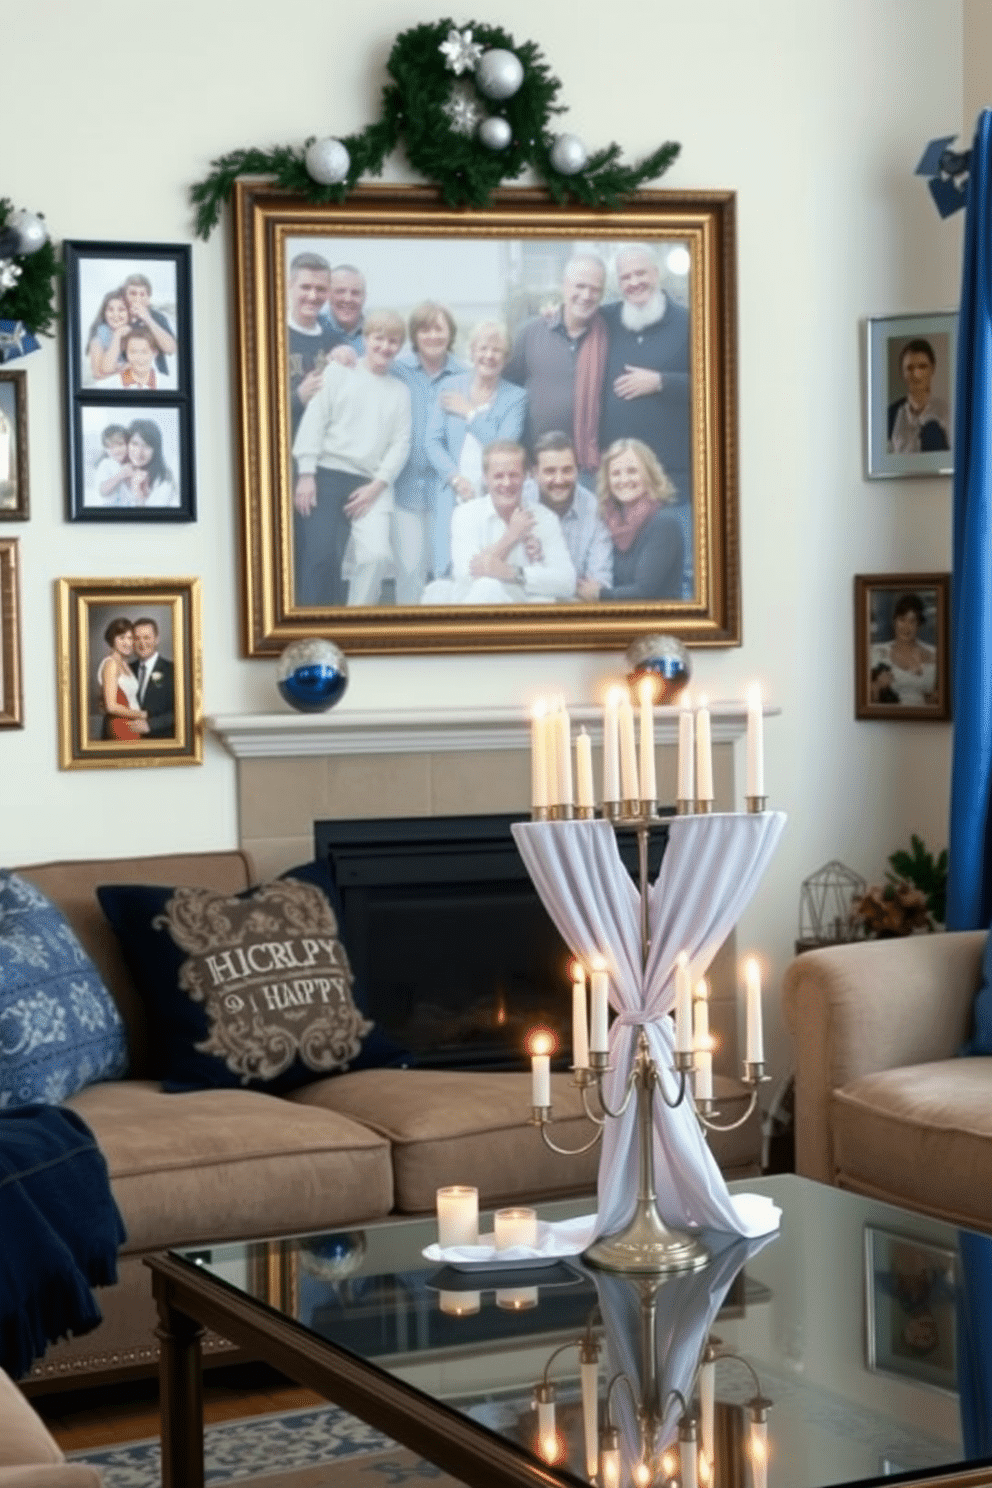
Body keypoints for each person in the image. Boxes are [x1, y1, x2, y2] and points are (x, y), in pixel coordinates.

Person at [292, 309, 411, 608]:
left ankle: (356, 618)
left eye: (393, 341)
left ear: (400, 346)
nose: (385, 347)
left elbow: (400, 444)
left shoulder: (400, 392)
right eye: (378, 338)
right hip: (326, 473)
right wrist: (306, 474)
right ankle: (312, 626)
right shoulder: (338, 373)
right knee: (320, 556)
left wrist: (377, 486)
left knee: (376, 556)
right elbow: (314, 421)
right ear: (366, 339)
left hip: (371, 483)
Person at [599, 246, 692, 595]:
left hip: (674, 479)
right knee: (630, 578)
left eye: (641, 274)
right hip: (620, 482)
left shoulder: (688, 322)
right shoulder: (607, 320)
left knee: (682, 574)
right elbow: (573, 315)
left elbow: (718, 382)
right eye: (626, 277)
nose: (634, 282)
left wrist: (662, 382)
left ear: (657, 274)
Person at [425, 320, 527, 578]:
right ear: (472, 351)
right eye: (483, 349)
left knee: (486, 567)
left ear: (506, 357)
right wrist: (455, 478)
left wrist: (469, 413)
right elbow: (432, 442)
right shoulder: (451, 387)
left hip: (492, 495)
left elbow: (504, 448)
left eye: (497, 351)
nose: (489, 356)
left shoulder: (516, 397)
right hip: (452, 493)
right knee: (447, 569)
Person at [422, 441, 574, 605]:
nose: (507, 483)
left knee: (501, 590)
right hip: (474, 611)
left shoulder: (544, 518)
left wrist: (511, 573)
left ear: (526, 476)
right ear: (485, 478)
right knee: (472, 588)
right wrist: (511, 536)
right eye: (499, 476)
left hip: (522, 612)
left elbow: (567, 582)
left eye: (514, 475)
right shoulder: (466, 514)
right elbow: (468, 575)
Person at [503, 253, 608, 474]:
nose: (586, 295)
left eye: (595, 289)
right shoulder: (530, 333)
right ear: (564, 287)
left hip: (593, 469)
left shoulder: (609, 334)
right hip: (538, 466)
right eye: (579, 286)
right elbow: (505, 390)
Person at [389, 301, 465, 604]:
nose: (432, 336)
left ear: (451, 334)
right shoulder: (398, 368)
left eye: (439, 328)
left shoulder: (465, 374)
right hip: (403, 488)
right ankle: (407, 641)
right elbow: (363, 366)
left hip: (447, 489)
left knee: (447, 572)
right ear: (415, 334)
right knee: (409, 572)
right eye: (425, 329)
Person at [577, 438, 683, 603]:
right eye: (616, 473)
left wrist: (600, 594)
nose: (624, 480)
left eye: (632, 471)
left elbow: (644, 592)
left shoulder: (664, 523)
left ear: (649, 474)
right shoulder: (610, 520)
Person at [522, 431, 612, 594]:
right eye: (550, 471)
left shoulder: (594, 510)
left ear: (577, 471)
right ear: (535, 473)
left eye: (567, 470)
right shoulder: (520, 500)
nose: (559, 480)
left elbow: (598, 585)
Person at [286, 252, 340, 436]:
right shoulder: (270, 336)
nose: (312, 295)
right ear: (289, 286)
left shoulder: (334, 341)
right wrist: (298, 397)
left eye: (320, 289)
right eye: (305, 287)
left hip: (326, 454)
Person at [869, 592, 938, 705]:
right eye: (902, 620)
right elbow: (864, 703)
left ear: (919, 624)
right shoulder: (876, 652)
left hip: (925, 720)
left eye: (912, 621)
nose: (906, 627)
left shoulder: (935, 653)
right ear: (894, 621)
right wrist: (877, 686)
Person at [887, 338, 951, 454]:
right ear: (902, 373)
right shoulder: (890, 415)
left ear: (932, 369)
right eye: (910, 368)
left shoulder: (947, 413)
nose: (916, 375)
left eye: (922, 367)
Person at [96, 618, 147, 742]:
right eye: (122, 638)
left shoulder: (124, 664)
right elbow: (111, 706)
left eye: (130, 638)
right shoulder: (111, 664)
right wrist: (142, 714)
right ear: (112, 640)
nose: (127, 643)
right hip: (121, 726)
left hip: (133, 725)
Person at [122, 272, 177, 375]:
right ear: (125, 296)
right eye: (133, 293)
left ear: (148, 298)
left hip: (157, 379)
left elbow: (171, 349)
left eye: (142, 294)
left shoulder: (158, 317)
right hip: (125, 379)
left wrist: (148, 319)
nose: (137, 298)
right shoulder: (118, 316)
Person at [131, 617, 176, 738]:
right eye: (137, 638)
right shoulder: (126, 669)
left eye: (146, 637)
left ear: (157, 639)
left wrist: (151, 725)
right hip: (128, 742)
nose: (142, 643)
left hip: (161, 743)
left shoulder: (174, 670)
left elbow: (183, 710)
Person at [121, 420, 178, 507]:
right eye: (134, 443)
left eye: (146, 446)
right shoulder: (119, 470)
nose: (138, 453)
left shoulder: (164, 479)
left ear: (156, 451)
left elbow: (154, 518)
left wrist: (138, 495)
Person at [102, 328, 176, 391]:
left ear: (154, 353)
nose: (139, 358)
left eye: (144, 352)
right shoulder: (108, 386)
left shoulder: (169, 385)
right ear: (126, 353)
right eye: (133, 352)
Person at [320, 264, 367, 358]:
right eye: (340, 291)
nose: (348, 299)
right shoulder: (312, 330)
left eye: (355, 293)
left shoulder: (378, 337)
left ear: (364, 297)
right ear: (327, 294)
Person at [86, 288, 130, 382]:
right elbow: (99, 375)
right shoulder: (98, 339)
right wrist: (117, 335)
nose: (115, 314)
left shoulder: (136, 334)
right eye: (110, 309)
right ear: (104, 313)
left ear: (129, 313)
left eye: (121, 309)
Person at [92, 423, 134, 506]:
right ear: (105, 449)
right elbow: (103, 491)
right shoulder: (106, 464)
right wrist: (120, 475)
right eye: (111, 447)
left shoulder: (132, 463)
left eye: (120, 444)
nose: (116, 450)